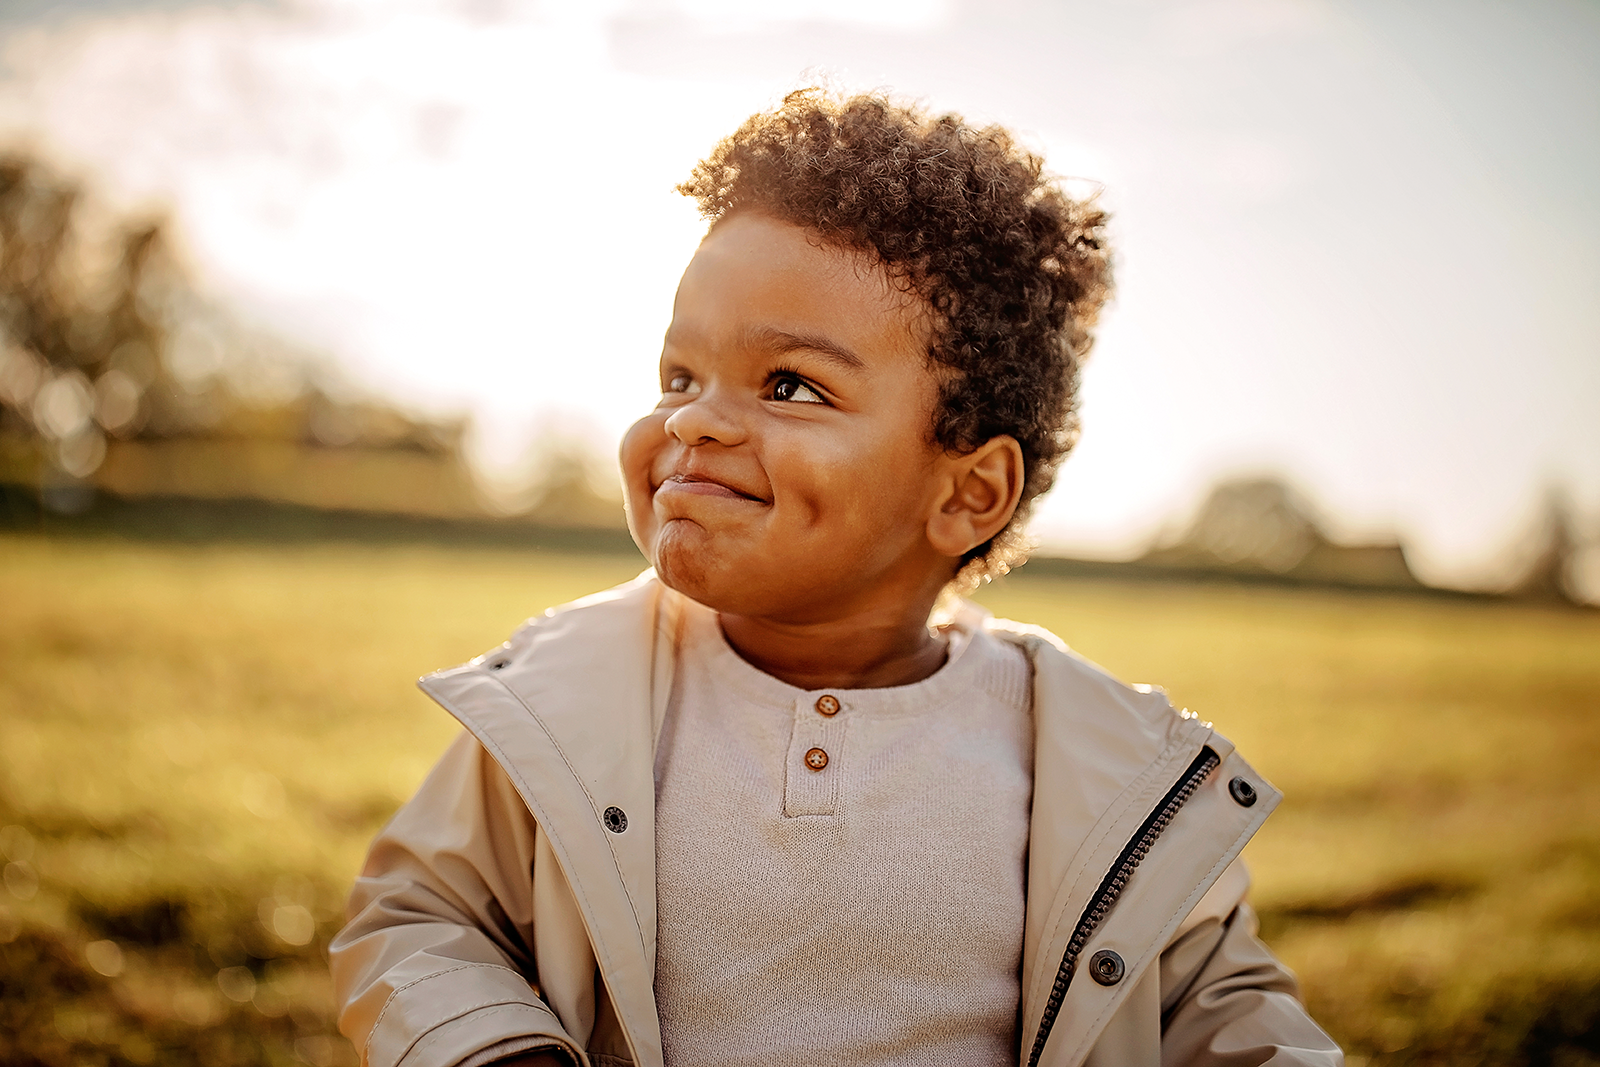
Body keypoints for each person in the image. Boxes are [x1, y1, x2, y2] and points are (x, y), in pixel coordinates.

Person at [329, 89, 1343, 1067]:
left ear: (969, 492)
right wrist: (496, 1049)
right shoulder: (565, 698)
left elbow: (1220, 1006)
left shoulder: (1099, 764)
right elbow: (420, 916)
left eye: (788, 385)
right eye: (679, 376)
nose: (693, 420)